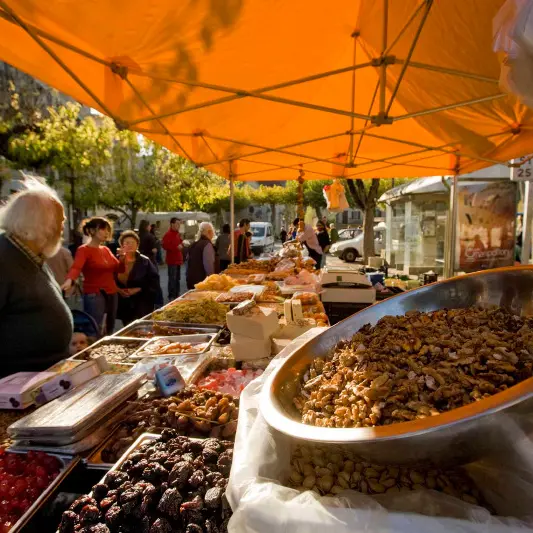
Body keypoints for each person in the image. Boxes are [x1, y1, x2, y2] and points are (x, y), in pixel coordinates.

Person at [0, 181, 73, 376]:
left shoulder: (31, 255)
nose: (62, 229)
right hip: (16, 387)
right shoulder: (3, 257)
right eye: (61, 221)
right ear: (42, 223)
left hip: (43, 378)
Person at [62, 217, 121, 336]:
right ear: (92, 231)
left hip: (112, 292)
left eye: (107, 230)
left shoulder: (105, 249)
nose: (106, 233)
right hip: (95, 294)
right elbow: (76, 267)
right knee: (94, 329)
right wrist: (70, 280)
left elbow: (119, 269)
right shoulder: (84, 250)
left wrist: (124, 258)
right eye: (103, 229)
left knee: (109, 329)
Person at [115, 230, 160, 325]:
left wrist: (139, 289)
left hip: (141, 302)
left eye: (132, 243)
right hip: (124, 303)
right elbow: (110, 279)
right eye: (127, 243)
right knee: (127, 328)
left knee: (142, 327)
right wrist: (119, 290)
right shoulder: (116, 260)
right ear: (122, 245)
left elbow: (154, 281)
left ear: (137, 245)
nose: (130, 245)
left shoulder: (145, 261)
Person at [187, 222, 216, 289]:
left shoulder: (193, 244)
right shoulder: (207, 245)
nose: (213, 234)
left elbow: (187, 264)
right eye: (213, 231)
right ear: (209, 232)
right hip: (202, 283)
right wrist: (212, 282)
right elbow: (209, 266)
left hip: (191, 280)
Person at [161, 218, 184, 301]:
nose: (179, 225)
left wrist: (182, 243)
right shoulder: (168, 234)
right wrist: (175, 247)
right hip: (172, 260)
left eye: (179, 224)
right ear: (172, 224)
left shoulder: (177, 234)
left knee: (177, 278)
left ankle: (177, 294)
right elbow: (164, 246)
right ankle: (171, 296)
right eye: (177, 223)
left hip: (178, 259)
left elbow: (180, 242)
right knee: (172, 279)